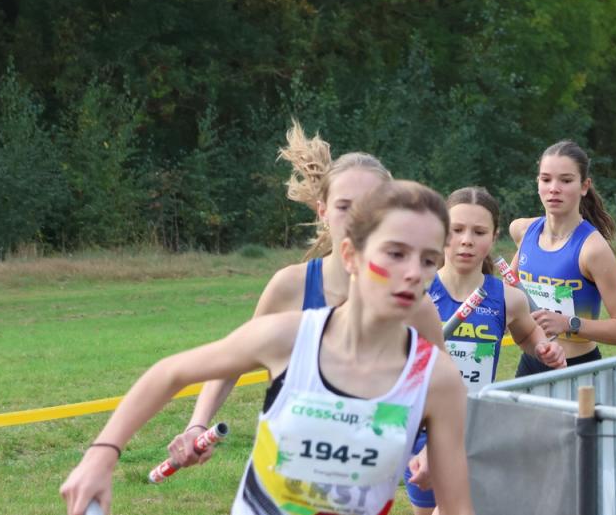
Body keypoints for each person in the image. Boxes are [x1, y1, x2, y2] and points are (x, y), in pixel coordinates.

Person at [60, 181, 475, 515]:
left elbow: (456, 507)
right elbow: (169, 373)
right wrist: (100, 456)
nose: (413, 273)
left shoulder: (437, 379)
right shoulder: (289, 338)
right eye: (396, 253)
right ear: (350, 256)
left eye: (428, 260)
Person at [166, 121, 444, 468]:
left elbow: (442, 388)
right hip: (283, 475)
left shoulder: (414, 304)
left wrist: (433, 448)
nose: (357, 219)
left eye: (370, 207)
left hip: (363, 478)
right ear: (323, 211)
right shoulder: (290, 286)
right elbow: (230, 361)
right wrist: (197, 424)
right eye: (344, 207)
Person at [405, 186, 567, 514]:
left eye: (478, 232)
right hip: (417, 424)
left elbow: (529, 335)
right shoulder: (415, 291)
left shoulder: (508, 298)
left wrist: (544, 349)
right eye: (457, 230)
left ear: (493, 237)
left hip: (471, 426)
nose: (466, 240)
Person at [509, 140, 616, 376]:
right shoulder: (522, 231)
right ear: (537, 183)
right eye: (546, 179)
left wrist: (568, 323)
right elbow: (511, 290)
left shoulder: (593, 250)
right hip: (531, 363)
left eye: (566, 180)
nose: (554, 188)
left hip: (578, 369)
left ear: (584, 186)